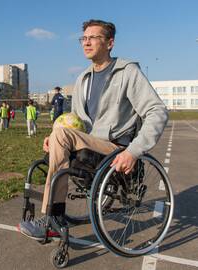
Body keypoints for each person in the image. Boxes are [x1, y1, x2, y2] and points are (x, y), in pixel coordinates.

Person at [19, 19, 168, 240]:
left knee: (61, 136)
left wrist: (134, 151)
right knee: (58, 137)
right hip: (90, 144)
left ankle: (53, 217)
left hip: (116, 147)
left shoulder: (127, 72)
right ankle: (53, 214)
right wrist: (55, 136)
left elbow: (158, 111)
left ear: (110, 43)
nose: (86, 43)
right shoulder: (83, 79)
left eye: (93, 38)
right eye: (84, 38)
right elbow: (76, 120)